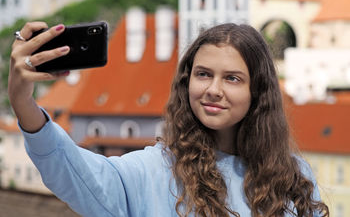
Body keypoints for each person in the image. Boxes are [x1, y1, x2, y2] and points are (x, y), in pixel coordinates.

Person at [8, 22, 329, 217]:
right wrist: (23, 100)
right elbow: (72, 170)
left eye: (232, 78)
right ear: (187, 81)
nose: (213, 90)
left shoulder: (295, 177)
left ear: (257, 91)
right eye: (203, 74)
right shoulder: (155, 171)